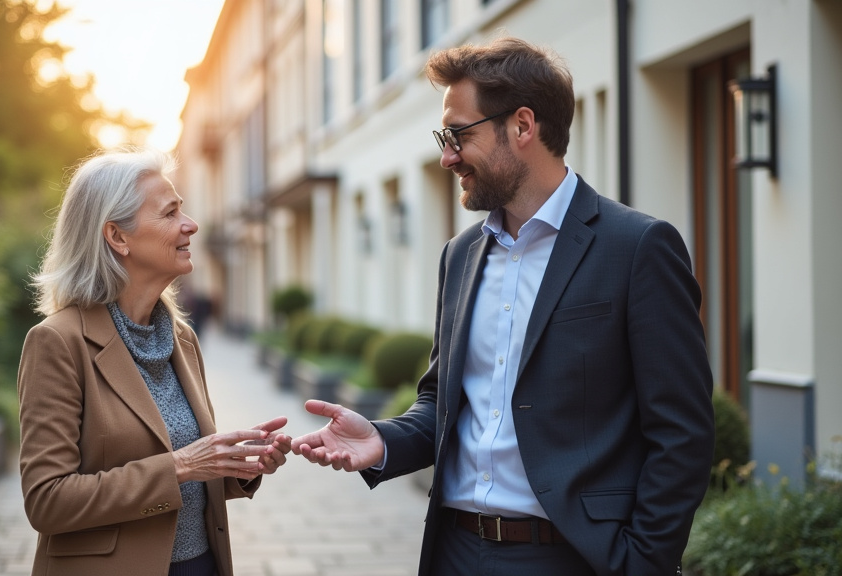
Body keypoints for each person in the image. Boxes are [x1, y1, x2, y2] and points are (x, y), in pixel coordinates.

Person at [291, 36, 715, 576]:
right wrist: (382, 438)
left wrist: (642, 563)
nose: (446, 156)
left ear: (522, 126)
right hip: (456, 552)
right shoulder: (460, 255)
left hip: (576, 558)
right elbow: (444, 402)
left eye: (457, 135)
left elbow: (683, 432)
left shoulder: (637, 248)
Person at [18, 147, 291, 576]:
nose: (191, 224)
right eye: (169, 213)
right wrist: (182, 465)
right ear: (118, 237)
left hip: (201, 564)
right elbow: (47, 500)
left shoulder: (181, 338)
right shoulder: (56, 343)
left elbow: (191, 473)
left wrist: (238, 466)